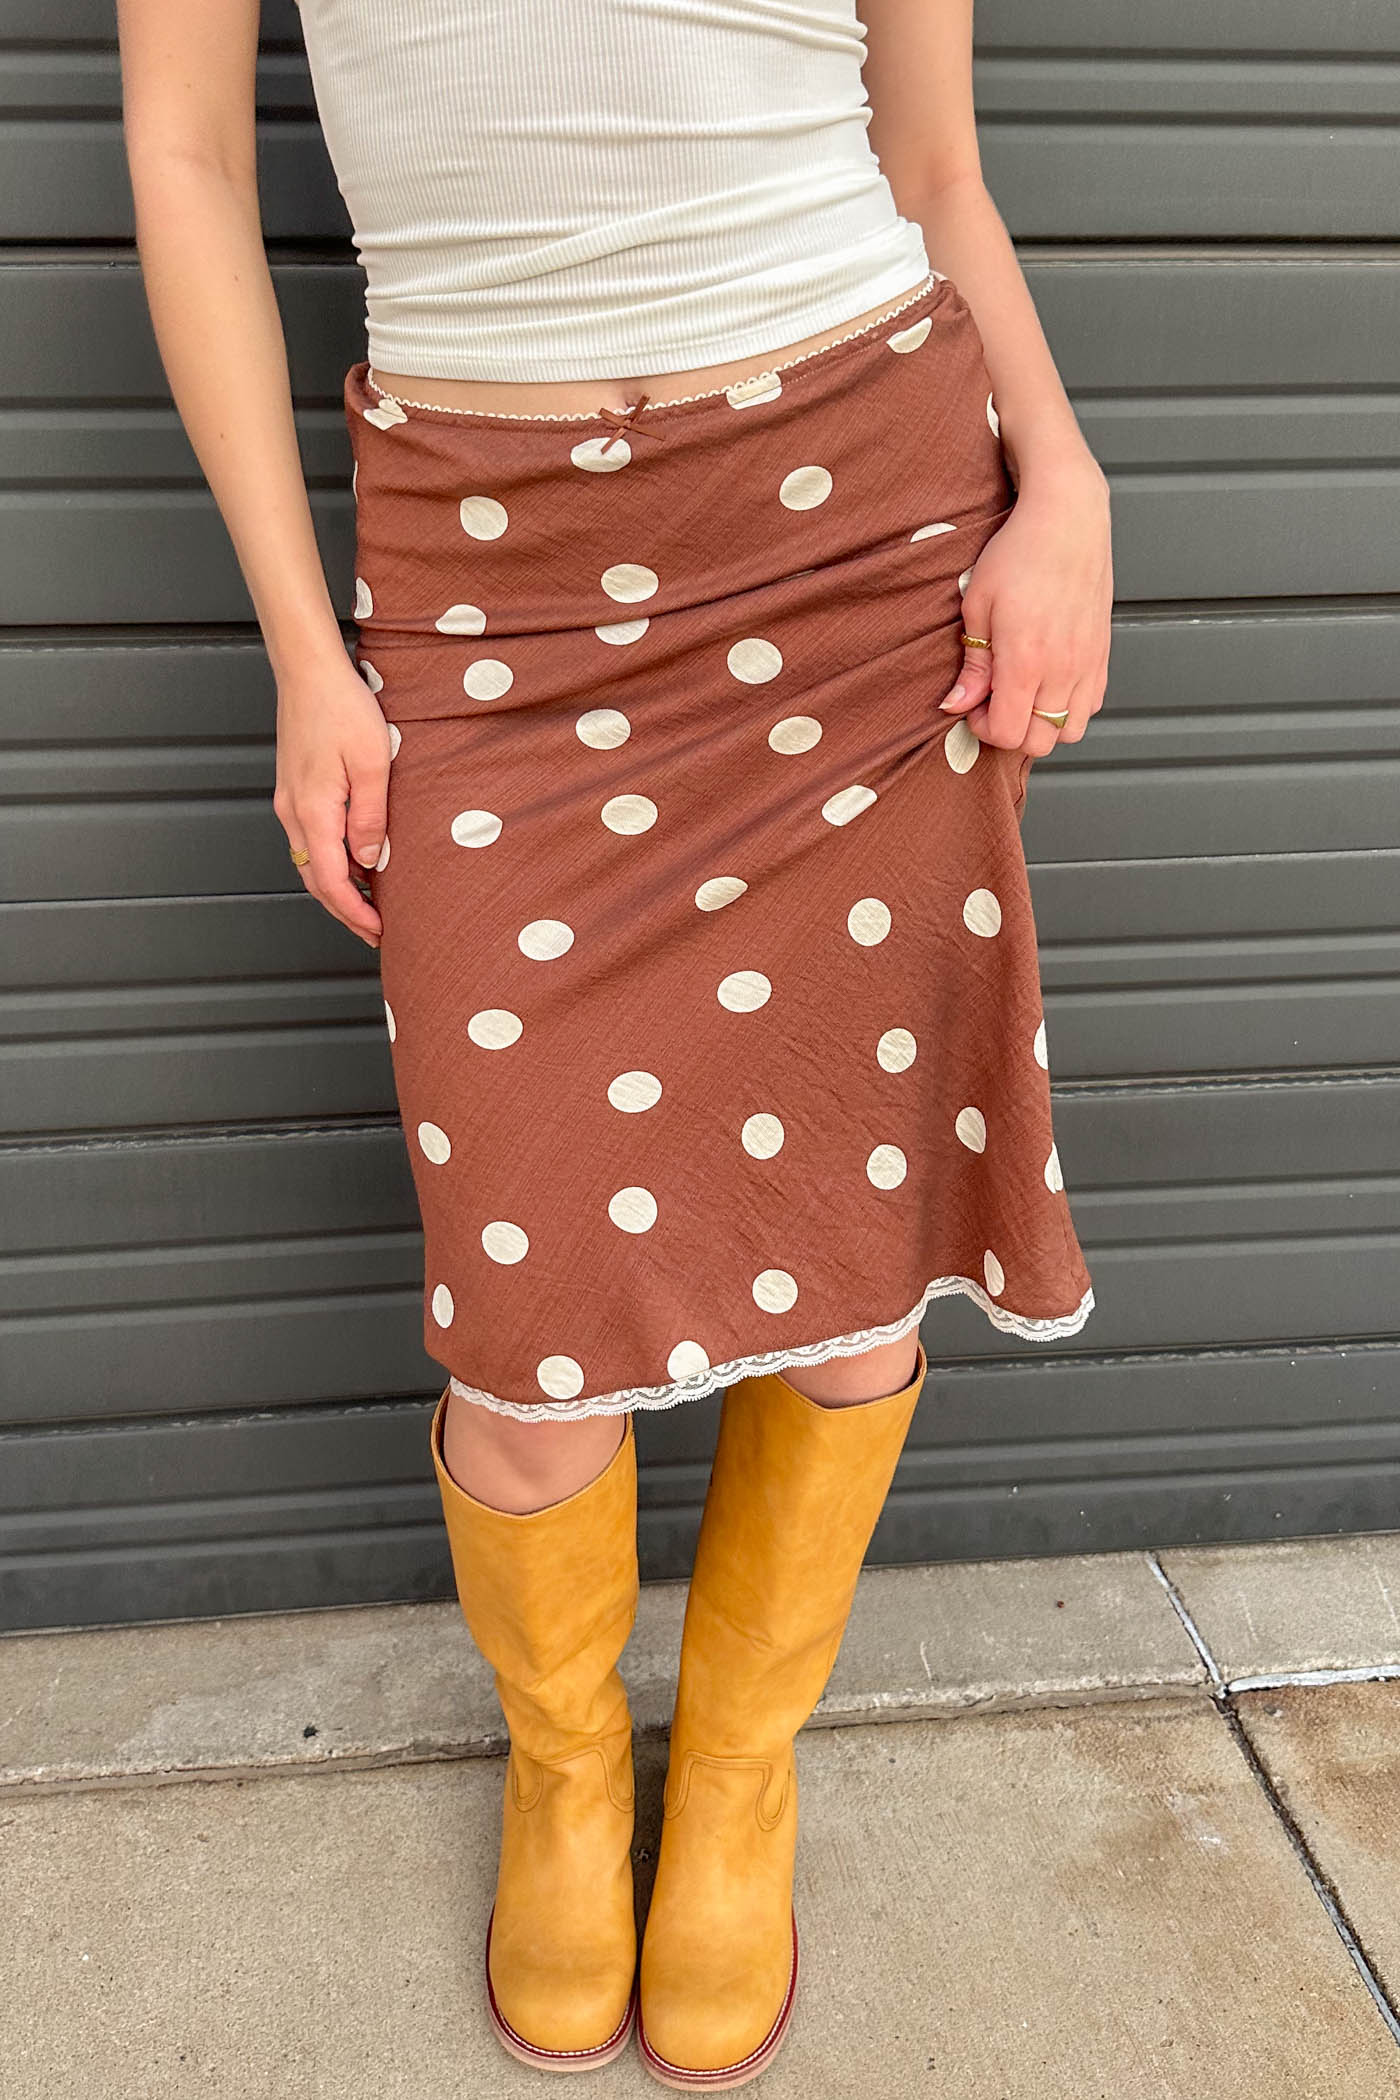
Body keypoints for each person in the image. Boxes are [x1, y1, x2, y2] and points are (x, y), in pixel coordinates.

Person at [118, 0, 1110, 2083]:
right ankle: (566, 1767)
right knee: (527, 1330)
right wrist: (308, 653)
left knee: (854, 1254)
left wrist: (1064, 479)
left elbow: (932, 159)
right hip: (490, 574)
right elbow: (188, 162)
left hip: (865, 527)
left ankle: (735, 1770)